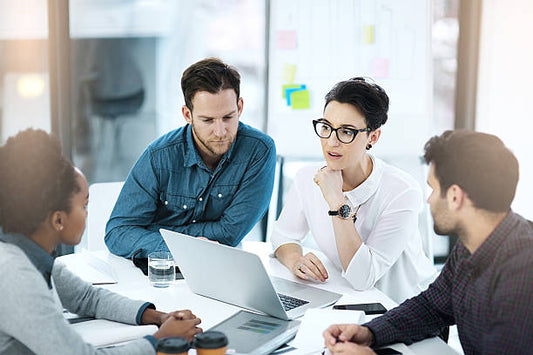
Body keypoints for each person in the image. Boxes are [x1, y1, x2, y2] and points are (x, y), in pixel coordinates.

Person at [323, 130, 533, 355]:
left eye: (433, 189)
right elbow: (432, 307)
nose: (429, 199)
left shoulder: (522, 269)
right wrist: (370, 333)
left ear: (454, 196)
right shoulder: (471, 244)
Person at [0, 129, 202, 355]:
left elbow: (88, 298)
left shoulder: (30, 257)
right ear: (58, 219)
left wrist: (159, 317)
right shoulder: (15, 276)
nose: (87, 214)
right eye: (84, 206)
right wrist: (160, 341)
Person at [271, 77, 436, 303]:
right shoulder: (307, 177)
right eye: (327, 127)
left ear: (373, 137)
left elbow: (362, 277)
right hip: (350, 301)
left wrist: (336, 201)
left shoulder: (402, 191)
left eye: (346, 132)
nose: (331, 142)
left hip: (406, 308)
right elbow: (283, 234)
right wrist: (295, 259)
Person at [105, 57, 276, 258]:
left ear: (240, 107)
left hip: (220, 265)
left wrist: (158, 233)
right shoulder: (159, 156)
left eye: (228, 117)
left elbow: (230, 233)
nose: (220, 131)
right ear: (187, 114)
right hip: (160, 268)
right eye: (208, 120)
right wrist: (185, 245)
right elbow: (118, 232)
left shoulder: (259, 151)